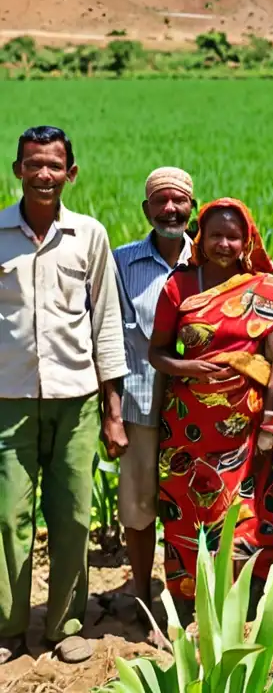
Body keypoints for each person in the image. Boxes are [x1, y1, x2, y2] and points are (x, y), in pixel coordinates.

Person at [0, 127, 128, 665]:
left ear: (70, 173)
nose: (44, 174)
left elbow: (106, 324)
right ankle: (9, 629)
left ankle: (64, 624)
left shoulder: (89, 235)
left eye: (55, 165)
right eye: (34, 164)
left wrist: (114, 412)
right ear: (18, 171)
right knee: (9, 517)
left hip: (77, 398)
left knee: (74, 515)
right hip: (8, 400)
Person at [148, 198, 273, 608]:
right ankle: (194, 598)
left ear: (247, 241)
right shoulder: (179, 286)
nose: (224, 244)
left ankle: (246, 598)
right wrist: (189, 368)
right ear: (201, 237)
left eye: (234, 236)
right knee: (188, 510)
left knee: (245, 509)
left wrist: (270, 421)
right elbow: (157, 352)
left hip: (245, 428)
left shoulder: (266, 291)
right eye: (215, 235)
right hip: (186, 429)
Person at [113, 167, 195, 631]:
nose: (170, 209)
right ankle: (143, 595)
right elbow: (105, 337)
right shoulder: (122, 262)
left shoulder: (210, 259)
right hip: (140, 405)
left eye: (179, 201)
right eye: (161, 201)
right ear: (146, 210)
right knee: (139, 504)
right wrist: (111, 411)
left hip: (200, 409)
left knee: (195, 500)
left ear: (192, 207)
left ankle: (188, 594)